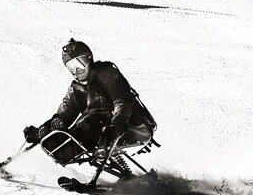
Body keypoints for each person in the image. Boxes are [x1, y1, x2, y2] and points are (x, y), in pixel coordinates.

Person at [23, 38, 155, 164]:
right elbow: (64, 114)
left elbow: (123, 99)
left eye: (79, 63)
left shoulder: (105, 73)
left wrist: (118, 123)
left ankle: (69, 148)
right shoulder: (76, 89)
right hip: (102, 131)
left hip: (133, 125)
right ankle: (61, 147)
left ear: (89, 58)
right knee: (67, 127)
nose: (77, 71)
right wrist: (44, 129)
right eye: (71, 67)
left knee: (89, 120)